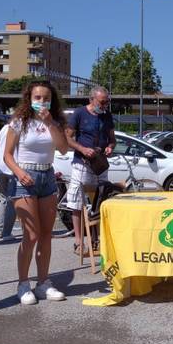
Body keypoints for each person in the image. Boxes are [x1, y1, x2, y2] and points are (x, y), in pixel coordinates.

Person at [4, 80, 69, 305]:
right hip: (25, 178)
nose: (42, 102)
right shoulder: (19, 122)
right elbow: (8, 155)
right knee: (30, 235)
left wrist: (51, 124)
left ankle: (43, 282)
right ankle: (23, 284)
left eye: (46, 98)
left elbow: (62, 148)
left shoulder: (56, 122)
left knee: (45, 235)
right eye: (38, 97)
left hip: (47, 178)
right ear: (29, 99)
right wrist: (19, 172)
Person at [65, 86, 115, 256]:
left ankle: (97, 240)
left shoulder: (107, 115)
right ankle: (79, 241)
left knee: (100, 202)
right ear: (91, 99)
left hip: (100, 163)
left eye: (107, 102)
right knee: (77, 202)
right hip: (82, 163)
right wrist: (83, 149)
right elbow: (67, 137)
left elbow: (112, 139)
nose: (105, 105)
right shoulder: (79, 114)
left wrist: (110, 147)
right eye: (102, 102)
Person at [0, 123, 17, 240]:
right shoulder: (22, 128)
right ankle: (6, 232)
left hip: (0, 167)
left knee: (4, 198)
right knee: (12, 200)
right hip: (12, 167)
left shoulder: (5, 127)